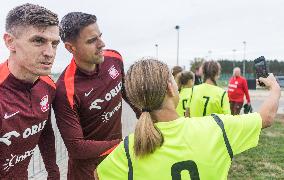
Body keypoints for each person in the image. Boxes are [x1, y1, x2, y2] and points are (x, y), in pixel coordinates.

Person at [95, 58, 280, 180]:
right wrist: (274, 88)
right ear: (170, 88)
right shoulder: (217, 128)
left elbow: (98, 175)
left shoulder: (129, 148)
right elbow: (266, 117)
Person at [53, 12, 140, 180]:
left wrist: (145, 115)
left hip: (117, 160)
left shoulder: (114, 58)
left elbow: (127, 93)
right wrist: (123, 144)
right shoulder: (65, 90)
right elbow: (76, 148)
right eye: (92, 41)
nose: (102, 44)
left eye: (100, 36)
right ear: (71, 48)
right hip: (87, 170)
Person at [0, 3, 60, 179]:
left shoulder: (48, 85)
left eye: (54, 43)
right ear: (10, 42)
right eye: (38, 41)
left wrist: (53, 172)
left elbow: (44, 130)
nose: (50, 53)